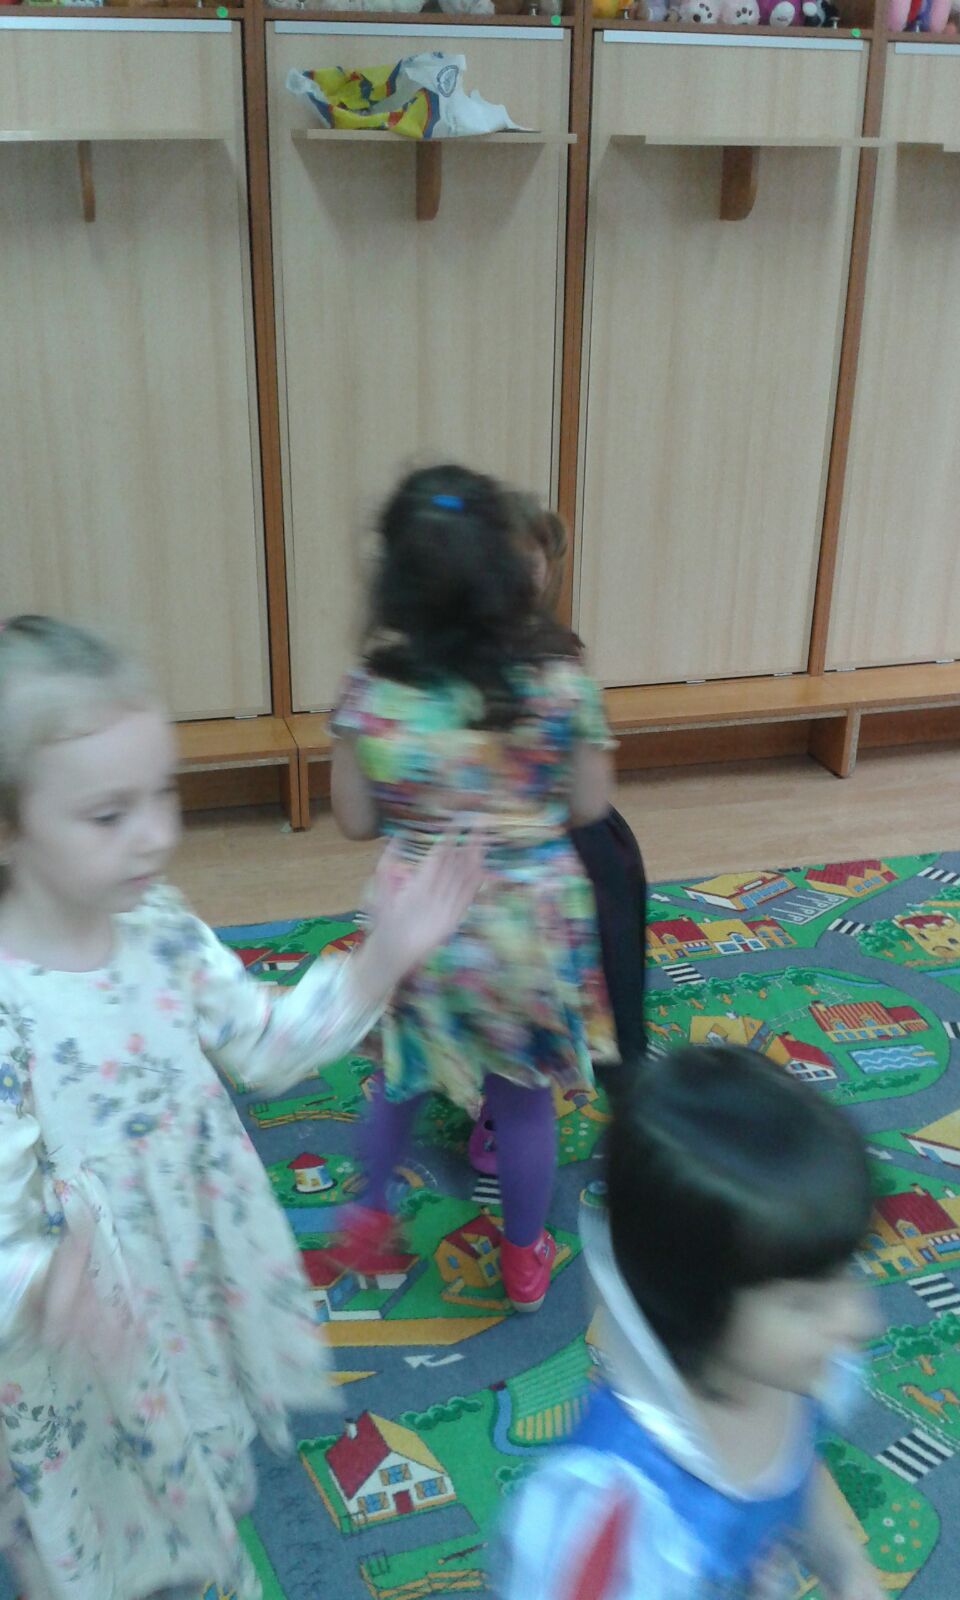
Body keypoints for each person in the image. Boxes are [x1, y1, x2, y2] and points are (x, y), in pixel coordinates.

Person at [0, 614, 482, 1600]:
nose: (156, 834)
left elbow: (265, 1041)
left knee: (187, 1447)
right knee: (90, 1509)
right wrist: (42, 1285)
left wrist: (383, 956)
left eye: (163, 793)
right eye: (108, 814)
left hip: (185, 1263)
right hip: (78, 1317)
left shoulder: (160, 928)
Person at [328, 463, 617, 1313]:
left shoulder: (370, 694)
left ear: (392, 582)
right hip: (527, 928)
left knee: (400, 1077)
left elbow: (353, 819)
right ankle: (523, 1259)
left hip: (419, 921)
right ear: (510, 567)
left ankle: (367, 1216)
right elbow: (590, 806)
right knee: (525, 1104)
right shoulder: (562, 682)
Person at [493, 1045, 882, 1600]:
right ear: (694, 1303)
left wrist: (848, 1569)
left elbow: (797, 1464)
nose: (862, 1320)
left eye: (847, 1271)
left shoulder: (792, 1369)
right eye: (805, 1303)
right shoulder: (617, 1503)